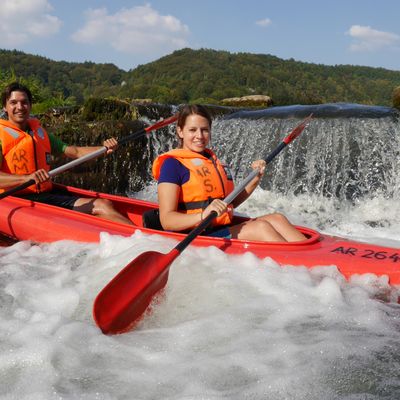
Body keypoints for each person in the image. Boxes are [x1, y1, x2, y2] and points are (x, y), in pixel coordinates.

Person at [152, 104, 306, 242]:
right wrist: (203, 215)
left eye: (204, 130)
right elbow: (167, 220)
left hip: (218, 228)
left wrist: (255, 178)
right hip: (195, 236)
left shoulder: (212, 161)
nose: (199, 136)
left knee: (278, 219)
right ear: (180, 131)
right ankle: (300, 266)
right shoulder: (172, 165)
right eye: (192, 130)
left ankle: (312, 259)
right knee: (260, 228)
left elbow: (230, 203)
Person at [0, 81, 132, 225]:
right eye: (13, 103)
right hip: (15, 200)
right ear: (5, 107)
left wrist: (105, 149)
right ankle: (144, 240)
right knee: (101, 206)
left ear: (30, 106)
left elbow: (75, 152)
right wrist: (25, 179)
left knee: (104, 204)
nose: (19, 107)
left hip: (45, 196)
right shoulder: (1, 137)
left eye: (24, 102)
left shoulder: (40, 134)